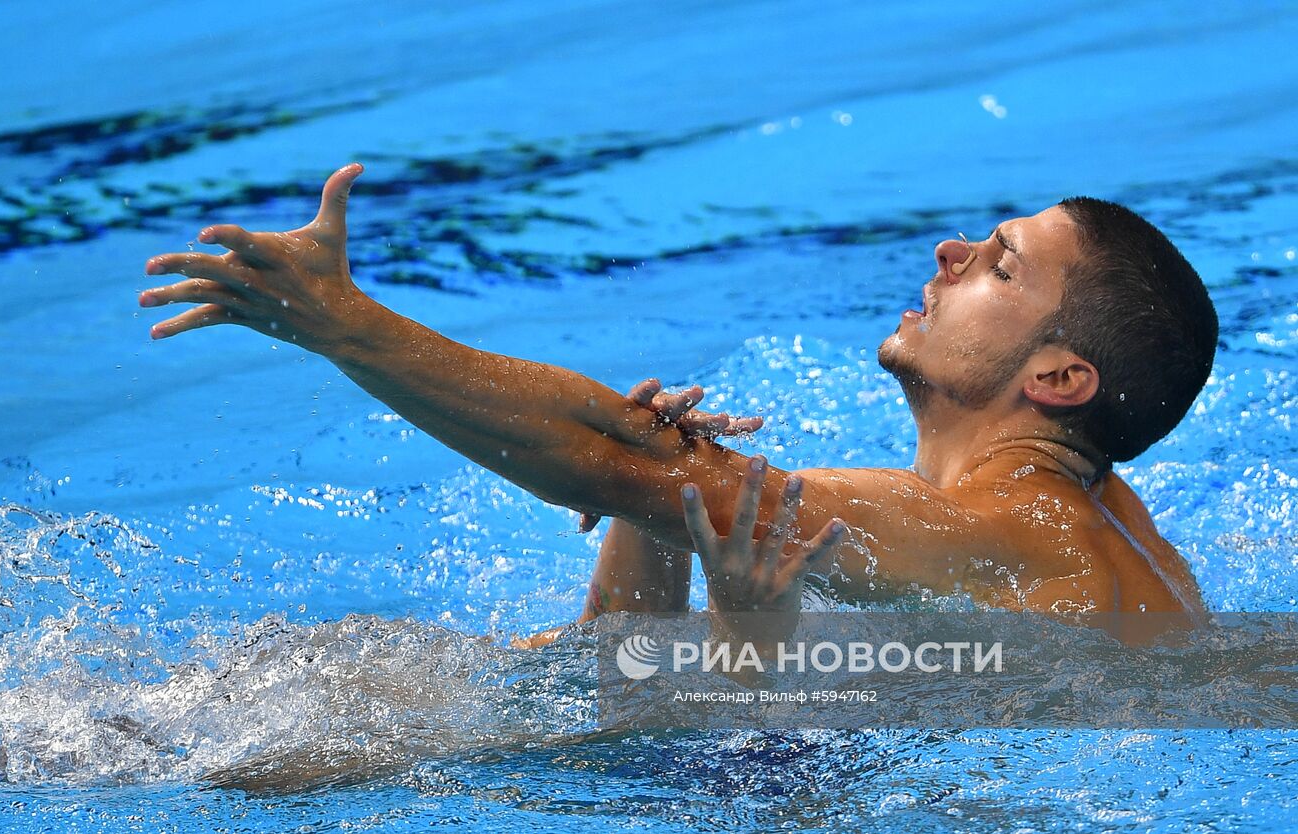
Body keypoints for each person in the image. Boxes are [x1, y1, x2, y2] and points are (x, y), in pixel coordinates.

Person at [139, 163, 1217, 649]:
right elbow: (627, 651)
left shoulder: (1008, 528)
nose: (950, 251)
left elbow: (607, 460)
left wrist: (339, 322)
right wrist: (658, 496)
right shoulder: (1085, 526)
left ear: (1059, 378)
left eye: (998, 266)